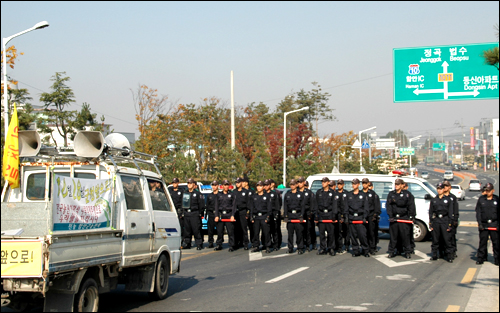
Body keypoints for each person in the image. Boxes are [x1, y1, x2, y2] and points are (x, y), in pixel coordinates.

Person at [386, 178, 415, 259]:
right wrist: (390, 216)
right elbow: (388, 206)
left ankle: (407, 252)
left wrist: (412, 216)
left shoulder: (407, 194)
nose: (396, 186)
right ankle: (391, 251)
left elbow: (411, 206)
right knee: (393, 237)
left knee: (405, 236)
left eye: (398, 184)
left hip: (404, 218)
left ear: (402, 185)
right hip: (394, 218)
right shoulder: (391, 194)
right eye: (395, 184)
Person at [475, 183, 499, 266]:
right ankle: (481, 258)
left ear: (493, 190)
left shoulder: (497, 199)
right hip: (484, 224)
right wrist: (480, 223)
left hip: (494, 224)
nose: (487, 192)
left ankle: (497, 259)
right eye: (486, 190)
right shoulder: (481, 199)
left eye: (489, 190)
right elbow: (478, 213)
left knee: (496, 243)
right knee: (483, 243)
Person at [429, 183, 454, 263]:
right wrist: (431, 223)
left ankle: (449, 256)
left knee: (446, 240)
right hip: (436, 221)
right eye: (438, 189)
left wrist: (450, 224)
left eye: (441, 189)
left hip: (444, 221)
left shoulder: (448, 200)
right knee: (435, 240)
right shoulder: (434, 200)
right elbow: (431, 212)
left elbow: (450, 213)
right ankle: (435, 255)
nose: (439, 190)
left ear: (444, 190)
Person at [346, 179, 370, 257]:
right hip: (352, 217)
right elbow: (346, 207)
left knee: (362, 236)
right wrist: (346, 217)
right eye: (353, 184)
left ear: (358, 185)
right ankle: (356, 250)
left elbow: (366, 207)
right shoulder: (349, 195)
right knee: (353, 236)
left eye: (355, 184)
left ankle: (365, 250)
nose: (354, 185)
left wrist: (364, 217)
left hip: (360, 218)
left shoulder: (363, 195)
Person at [315, 177, 338, 256]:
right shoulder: (319, 192)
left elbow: (335, 205)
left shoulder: (332, 193)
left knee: (331, 233)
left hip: (330, 215)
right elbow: (316, 204)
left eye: (324, 182)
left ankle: (331, 248)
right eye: (322, 182)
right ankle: (323, 248)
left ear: (328, 183)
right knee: (321, 234)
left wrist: (334, 215)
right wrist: (316, 215)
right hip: (321, 215)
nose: (323, 183)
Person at [283, 179, 305, 254]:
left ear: (296, 185)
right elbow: (285, 206)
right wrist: (285, 215)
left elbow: (302, 206)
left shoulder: (301, 194)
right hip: (290, 216)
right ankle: (290, 248)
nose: (292, 186)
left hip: (298, 216)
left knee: (299, 234)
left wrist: (302, 215)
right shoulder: (287, 194)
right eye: (291, 184)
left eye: (293, 184)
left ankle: (300, 248)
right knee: (290, 234)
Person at [250, 181, 272, 253]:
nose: (259, 187)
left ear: (263, 187)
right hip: (256, 217)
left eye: (260, 186)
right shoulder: (254, 196)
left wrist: (268, 217)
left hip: (264, 216)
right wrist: (251, 216)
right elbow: (252, 207)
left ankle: (267, 246)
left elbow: (269, 208)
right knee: (256, 233)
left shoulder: (267, 196)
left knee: (266, 232)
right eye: (258, 186)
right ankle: (256, 246)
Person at [182, 178, 205, 250]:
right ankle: (187, 243)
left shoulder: (198, 194)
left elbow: (201, 205)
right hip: (187, 213)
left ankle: (199, 244)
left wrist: (200, 213)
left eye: (191, 183)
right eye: (188, 183)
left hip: (194, 213)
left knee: (196, 229)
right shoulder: (185, 193)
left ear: (194, 185)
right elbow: (182, 203)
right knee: (187, 230)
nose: (189, 185)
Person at [214, 180, 237, 251]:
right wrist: (216, 215)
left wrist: (233, 215)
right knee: (219, 231)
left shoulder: (232, 194)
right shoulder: (219, 195)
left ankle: (232, 245)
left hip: (229, 214)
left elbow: (234, 206)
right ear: (222, 186)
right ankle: (219, 244)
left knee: (230, 231)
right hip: (221, 214)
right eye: (225, 185)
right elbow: (216, 206)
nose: (226, 186)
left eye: (227, 185)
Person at [361, 178, 381, 255]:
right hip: (362, 216)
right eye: (363, 183)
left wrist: (375, 214)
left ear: (368, 184)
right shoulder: (360, 193)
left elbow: (376, 205)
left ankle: (372, 248)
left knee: (371, 233)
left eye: (366, 183)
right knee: (363, 233)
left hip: (370, 216)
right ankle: (364, 247)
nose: (364, 184)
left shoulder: (373, 194)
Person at [298, 177, 316, 252]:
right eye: (298, 182)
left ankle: (311, 244)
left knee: (310, 229)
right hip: (300, 214)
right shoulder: (297, 192)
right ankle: (303, 244)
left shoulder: (309, 193)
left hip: (308, 213)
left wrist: (311, 213)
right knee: (302, 230)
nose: (299, 184)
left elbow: (312, 203)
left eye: (301, 182)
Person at [233, 177, 251, 250]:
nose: (237, 184)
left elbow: (248, 204)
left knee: (244, 228)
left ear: (241, 183)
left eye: (238, 182)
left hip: (243, 211)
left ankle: (245, 243)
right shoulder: (234, 192)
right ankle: (237, 242)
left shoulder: (245, 192)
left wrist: (248, 213)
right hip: (235, 212)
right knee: (236, 228)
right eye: (236, 183)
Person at [443, 180, 459, 258]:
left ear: (450, 187)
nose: (445, 187)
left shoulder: (452, 197)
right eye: (444, 186)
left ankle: (453, 251)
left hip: (451, 219)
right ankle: (444, 251)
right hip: (443, 220)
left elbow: (456, 209)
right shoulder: (440, 197)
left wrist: (455, 219)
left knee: (451, 236)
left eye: (446, 186)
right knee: (443, 237)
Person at [265, 179, 282, 251]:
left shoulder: (275, 193)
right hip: (266, 213)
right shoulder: (263, 194)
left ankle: (276, 244)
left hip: (274, 212)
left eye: (267, 185)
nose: (265, 186)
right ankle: (267, 244)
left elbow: (278, 204)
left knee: (275, 230)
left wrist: (277, 213)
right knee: (267, 230)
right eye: (264, 185)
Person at [168, 178, 185, 244]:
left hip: (179, 211)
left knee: (180, 227)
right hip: (172, 211)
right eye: (173, 183)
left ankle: (182, 240)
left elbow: (183, 202)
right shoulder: (170, 192)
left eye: (175, 183)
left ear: (178, 183)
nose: (174, 184)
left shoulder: (181, 191)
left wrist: (182, 212)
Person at [336, 179, 350, 253]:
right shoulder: (335, 193)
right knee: (339, 232)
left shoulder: (346, 193)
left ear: (343, 185)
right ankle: (339, 246)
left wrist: (345, 215)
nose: (339, 185)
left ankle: (347, 245)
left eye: (341, 184)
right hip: (338, 215)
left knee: (346, 231)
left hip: (345, 214)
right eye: (338, 184)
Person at [205, 181, 219, 248]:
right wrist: (206, 215)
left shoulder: (220, 195)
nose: (214, 186)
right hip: (211, 214)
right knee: (210, 230)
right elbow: (207, 206)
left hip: (218, 214)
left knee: (219, 230)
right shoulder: (209, 195)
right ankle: (210, 242)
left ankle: (219, 243)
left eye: (215, 185)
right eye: (213, 185)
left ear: (218, 186)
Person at [269, 179, 283, 248]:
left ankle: (277, 243)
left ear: (273, 184)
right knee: (270, 229)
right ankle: (270, 243)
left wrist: (277, 212)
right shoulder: (266, 192)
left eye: (270, 183)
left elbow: (279, 203)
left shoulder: (277, 192)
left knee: (276, 229)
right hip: (269, 213)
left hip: (275, 212)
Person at [368, 182, 381, 248]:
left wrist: (375, 214)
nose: (369, 187)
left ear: (372, 187)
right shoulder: (363, 194)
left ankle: (373, 246)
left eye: (370, 186)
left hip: (372, 216)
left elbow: (377, 206)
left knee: (373, 232)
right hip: (366, 216)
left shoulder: (375, 195)